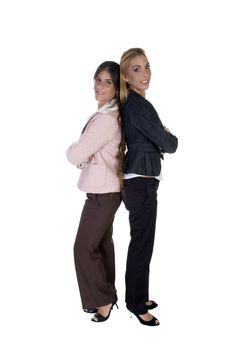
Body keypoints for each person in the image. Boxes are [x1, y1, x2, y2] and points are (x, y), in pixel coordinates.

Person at [119, 48, 178, 326]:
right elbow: (170, 144)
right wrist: (165, 136)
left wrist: (160, 137)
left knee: (142, 243)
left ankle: (138, 295)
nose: (145, 74)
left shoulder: (136, 103)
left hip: (142, 181)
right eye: (137, 69)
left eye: (147, 67)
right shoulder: (136, 105)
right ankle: (136, 303)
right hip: (140, 183)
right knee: (142, 245)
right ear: (126, 76)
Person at [66, 61, 124, 322]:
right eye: (97, 79)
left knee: (83, 248)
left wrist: (78, 154)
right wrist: (86, 156)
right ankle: (107, 297)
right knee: (100, 244)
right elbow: (88, 153)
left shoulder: (106, 120)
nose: (99, 86)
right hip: (106, 190)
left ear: (116, 88)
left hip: (103, 193)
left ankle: (103, 301)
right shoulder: (110, 114)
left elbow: (75, 153)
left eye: (107, 82)